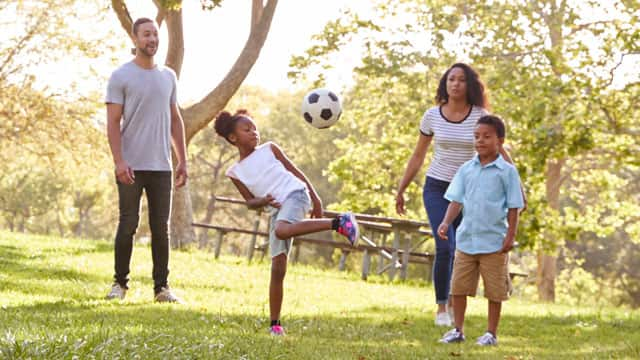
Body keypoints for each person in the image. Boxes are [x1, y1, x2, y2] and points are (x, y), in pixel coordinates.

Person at [214, 109, 359, 336]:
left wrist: (316, 198)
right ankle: (275, 325)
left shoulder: (270, 149)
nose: (254, 132)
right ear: (233, 138)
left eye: (255, 128)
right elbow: (250, 202)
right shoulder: (235, 172)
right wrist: (261, 200)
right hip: (277, 211)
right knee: (277, 268)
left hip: (296, 194)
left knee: (282, 231)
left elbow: (296, 172)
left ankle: (339, 222)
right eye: (247, 129)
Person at [396, 63, 507, 326]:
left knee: (463, 249)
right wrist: (401, 188)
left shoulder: (479, 115)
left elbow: (497, 146)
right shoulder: (432, 116)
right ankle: (441, 308)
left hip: (470, 190)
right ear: (445, 84)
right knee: (444, 245)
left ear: (470, 85)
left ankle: (458, 311)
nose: (455, 84)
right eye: (450, 80)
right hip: (437, 188)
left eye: (461, 80)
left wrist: (513, 180)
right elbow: (418, 155)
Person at [105, 18, 188, 303]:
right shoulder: (121, 76)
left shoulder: (168, 76)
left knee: (160, 228)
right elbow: (113, 122)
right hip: (130, 165)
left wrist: (182, 160)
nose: (152, 39)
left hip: (161, 166)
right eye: (146, 34)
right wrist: (119, 161)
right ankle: (119, 285)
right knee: (127, 223)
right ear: (135, 38)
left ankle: (161, 288)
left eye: (155, 34)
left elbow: (175, 120)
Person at [437, 115, 524, 346]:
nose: (480, 141)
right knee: (458, 288)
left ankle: (490, 333)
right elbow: (456, 200)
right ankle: (458, 330)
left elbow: (515, 206)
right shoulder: (466, 169)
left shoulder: (507, 172)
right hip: (466, 241)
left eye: (487, 136)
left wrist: (510, 236)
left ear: (500, 141)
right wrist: (446, 222)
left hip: (494, 243)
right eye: (477, 136)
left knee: (495, 291)